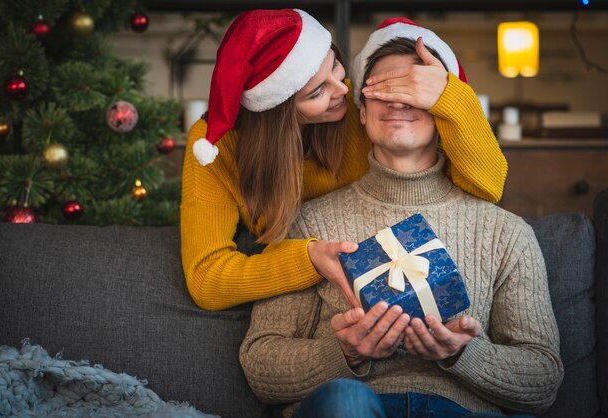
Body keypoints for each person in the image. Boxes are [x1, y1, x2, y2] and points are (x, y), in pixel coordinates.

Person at [239, 18, 563, 418]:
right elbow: (260, 366)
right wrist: (343, 351)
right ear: (360, 111)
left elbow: (544, 379)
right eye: (381, 90)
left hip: (461, 409)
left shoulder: (505, 233)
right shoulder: (309, 225)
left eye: (415, 90)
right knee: (345, 400)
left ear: (444, 110)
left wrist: (466, 353)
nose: (397, 102)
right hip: (351, 408)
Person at [181, 9, 508, 311]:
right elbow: (207, 280)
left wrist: (449, 93)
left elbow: (488, 186)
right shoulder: (214, 147)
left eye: (335, 64)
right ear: (278, 111)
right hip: (301, 292)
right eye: (316, 92)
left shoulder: (363, 107)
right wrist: (308, 258)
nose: (342, 89)